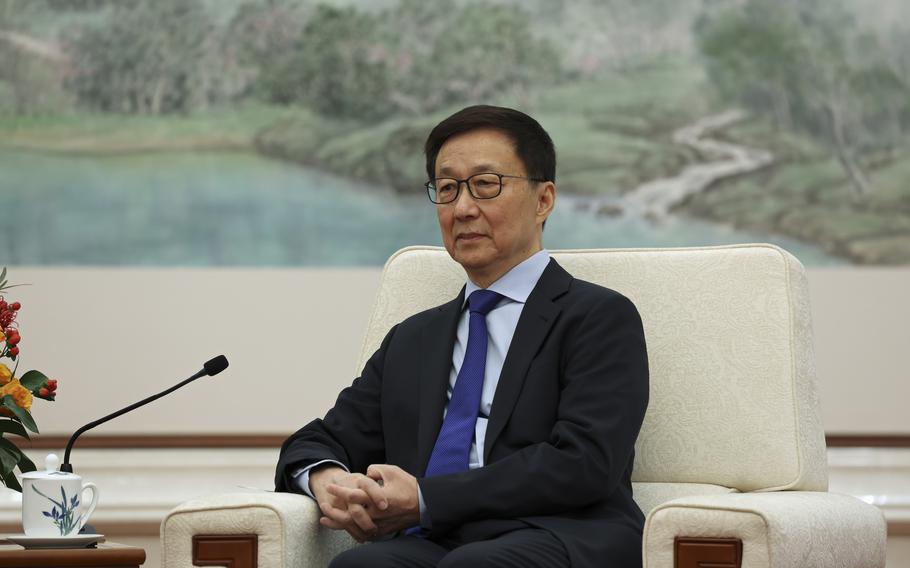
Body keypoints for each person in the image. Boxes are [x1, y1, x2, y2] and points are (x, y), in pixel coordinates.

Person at [275, 105, 649, 568]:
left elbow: (585, 462)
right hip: (438, 540)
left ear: (543, 199)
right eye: (448, 188)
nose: (463, 208)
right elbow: (321, 438)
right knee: (359, 566)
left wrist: (427, 497)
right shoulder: (413, 338)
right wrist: (328, 480)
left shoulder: (598, 317)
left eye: (486, 184)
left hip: (561, 530)